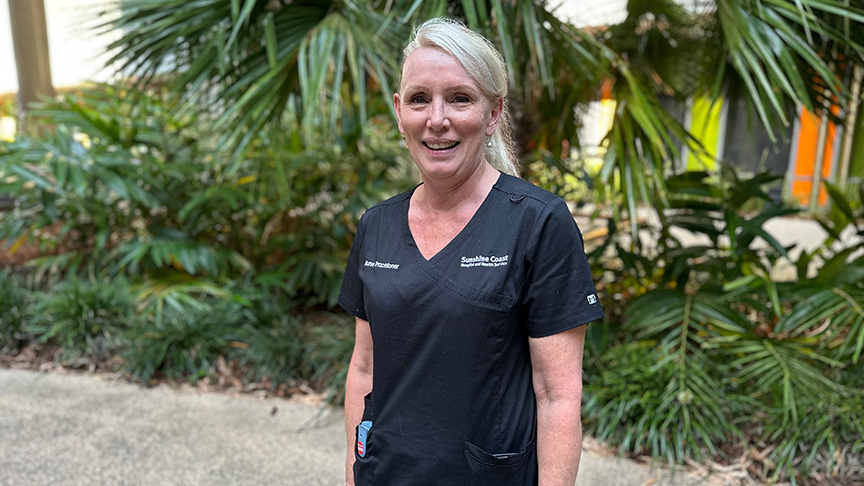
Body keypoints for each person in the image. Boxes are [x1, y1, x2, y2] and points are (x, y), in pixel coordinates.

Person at [339, 18, 604, 486]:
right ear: (400, 112)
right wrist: (352, 475)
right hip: (386, 473)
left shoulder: (538, 222)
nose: (436, 119)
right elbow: (364, 368)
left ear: (493, 112)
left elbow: (557, 394)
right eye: (420, 99)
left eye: (460, 98)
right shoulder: (376, 226)